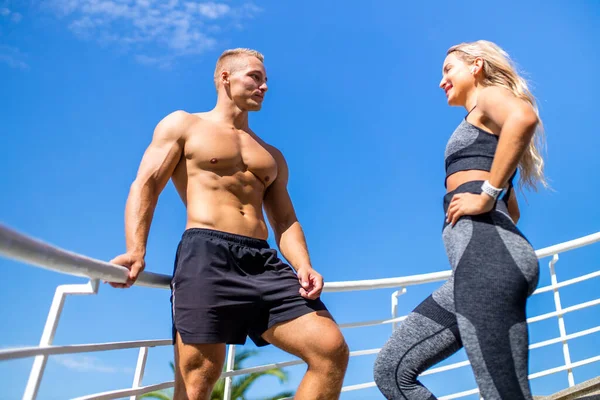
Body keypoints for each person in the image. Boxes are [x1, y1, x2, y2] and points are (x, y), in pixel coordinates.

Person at [109, 48, 349, 400]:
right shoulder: (184, 124)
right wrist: (136, 249)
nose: (264, 86)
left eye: (265, 79)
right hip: (206, 254)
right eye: (255, 76)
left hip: (262, 261)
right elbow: (145, 185)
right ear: (225, 77)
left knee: (330, 350)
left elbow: (284, 219)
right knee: (198, 382)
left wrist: (303, 265)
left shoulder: (271, 155)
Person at [373, 40, 545, 399]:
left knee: (503, 393)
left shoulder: (487, 96)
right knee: (392, 370)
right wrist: (493, 194)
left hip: (488, 264)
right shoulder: (478, 121)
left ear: (476, 65)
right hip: (474, 268)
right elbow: (511, 211)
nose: (441, 81)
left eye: (448, 69)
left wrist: (486, 194)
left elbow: (524, 117)